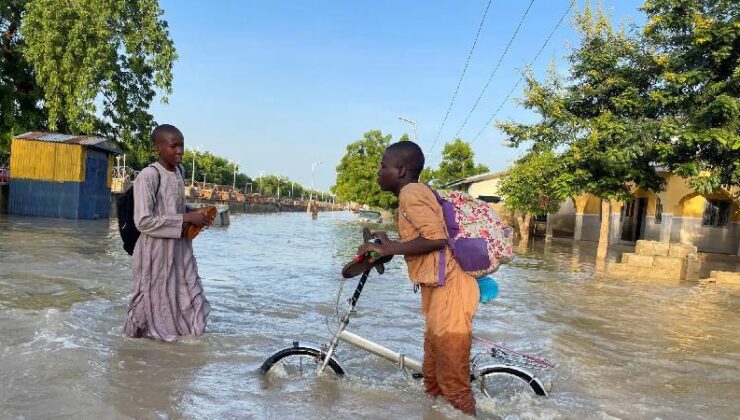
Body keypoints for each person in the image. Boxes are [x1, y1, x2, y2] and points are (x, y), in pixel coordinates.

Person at [357, 141, 479, 415]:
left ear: (400, 170)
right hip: (439, 289)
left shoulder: (411, 193)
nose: (378, 172)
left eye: (382, 167)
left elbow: (436, 238)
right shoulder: (413, 194)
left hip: (451, 288)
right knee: (432, 377)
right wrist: (388, 247)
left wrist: (390, 248)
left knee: (452, 380)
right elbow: (424, 239)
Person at [123, 124, 212, 342]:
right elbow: (143, 221)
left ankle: (185, 342)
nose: (180, 151)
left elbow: (174, 207)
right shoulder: (148, 176)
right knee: (153, 299)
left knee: (189, 291)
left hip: (180, 248)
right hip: (155, 252)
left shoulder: (179, 172)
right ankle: (143, 348)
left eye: (182, 145)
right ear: (158, 148)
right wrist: (185, 218)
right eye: (174, 146)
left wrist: (196, 213)